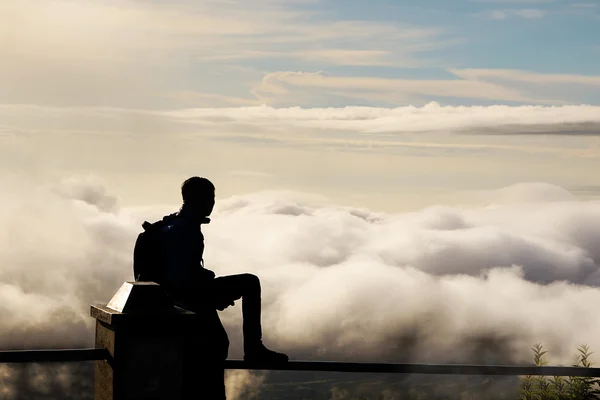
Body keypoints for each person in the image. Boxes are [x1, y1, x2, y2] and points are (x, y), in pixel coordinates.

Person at [158, 176, 289, 365]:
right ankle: (254, 348)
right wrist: (212, 295)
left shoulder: (175, 224)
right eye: (210, 196)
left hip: (182, 294)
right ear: (201, 199)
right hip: (187, 296)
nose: (212, 202)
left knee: (217, 342)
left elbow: (183, 270)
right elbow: (180, 279)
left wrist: (208, 283)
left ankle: (253, 348)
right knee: (250, 283)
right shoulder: (184, 230)